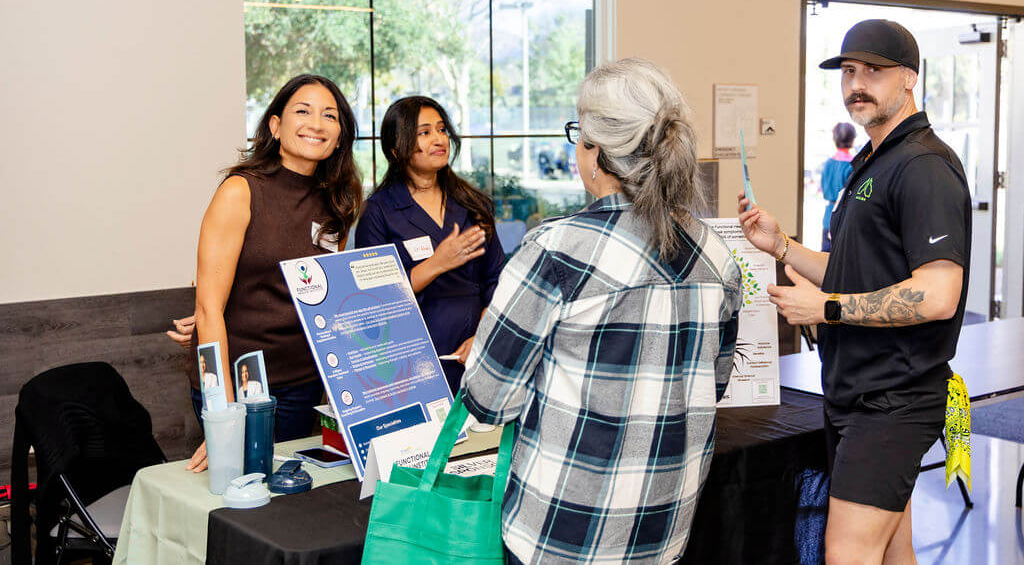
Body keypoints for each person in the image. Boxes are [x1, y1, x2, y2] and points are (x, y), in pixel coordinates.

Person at [462, 58, 741, 564]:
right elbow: (713, 385)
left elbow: (489, 399)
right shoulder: (716, 256)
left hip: (561, 531)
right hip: (665, 528)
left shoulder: (556, 250)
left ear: (596, 152)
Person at [737, 19, 971, 564]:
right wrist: (782, 246)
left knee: (847, 553)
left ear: (909, 78)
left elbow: (938, 294)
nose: (856, 84)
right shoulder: (873, 161)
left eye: (873, 71)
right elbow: (855, 272)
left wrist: (828, 309)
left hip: (893, 402)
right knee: (893, 551)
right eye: (847, 71)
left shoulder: (924, 167)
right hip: (855, 394)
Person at [186, 73, 362, 472]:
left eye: (329, 115)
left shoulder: (339, 200)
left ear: (340, 135)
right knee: (240, 487)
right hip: (239, 380)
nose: (316, 124)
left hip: (302, 381)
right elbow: (208, 308)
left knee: (291, 495)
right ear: (276, 125)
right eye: (303, 111)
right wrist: (224, 412)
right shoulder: (241, 190)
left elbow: (323, 295)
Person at [353, 96, 505, 394]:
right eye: (424, 132)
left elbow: (498, 282)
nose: (439, 139)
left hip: (475, 353)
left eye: (441, 129)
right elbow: (373, 300)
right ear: (396, 149)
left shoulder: (473, 204)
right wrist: (437, 263)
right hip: (410, 361)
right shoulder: (379, 211)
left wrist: (482, 336)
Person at [820, 122, 856, 251]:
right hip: (844, 218)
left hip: (828, 217)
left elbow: (824, 189)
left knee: (824, 258)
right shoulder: (853, 165)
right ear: (852, 139)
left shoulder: (828, 163)